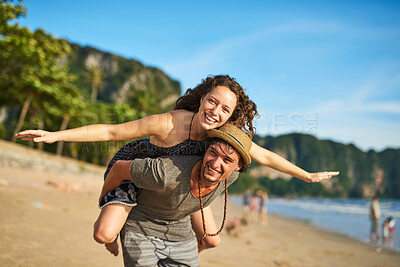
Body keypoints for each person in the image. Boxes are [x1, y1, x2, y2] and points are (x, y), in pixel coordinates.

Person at [15, 74, 339, 256]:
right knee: (103, 234)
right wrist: (55, 135)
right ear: (202, 98)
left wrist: (306, 175)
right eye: (212, 101)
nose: (215, 111)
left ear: (230, 116)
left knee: (212, 239)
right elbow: (112, 131)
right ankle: (123, 231)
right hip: (138, 171)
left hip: (178, 184)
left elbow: (265, 155)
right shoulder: (169, 123)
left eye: (225, 109)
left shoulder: (221, 134)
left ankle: (171, 254)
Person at [100, 123, 251, 266]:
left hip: (180, 231)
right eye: (213, 152)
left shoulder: (230, 176)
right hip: (141, 228)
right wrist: (103, 202)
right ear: (207, 150)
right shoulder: (165, 173)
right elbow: (119, 168)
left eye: (227, 160)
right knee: (103, 234)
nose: (216, 163)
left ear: (238, 166)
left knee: (212, 241)